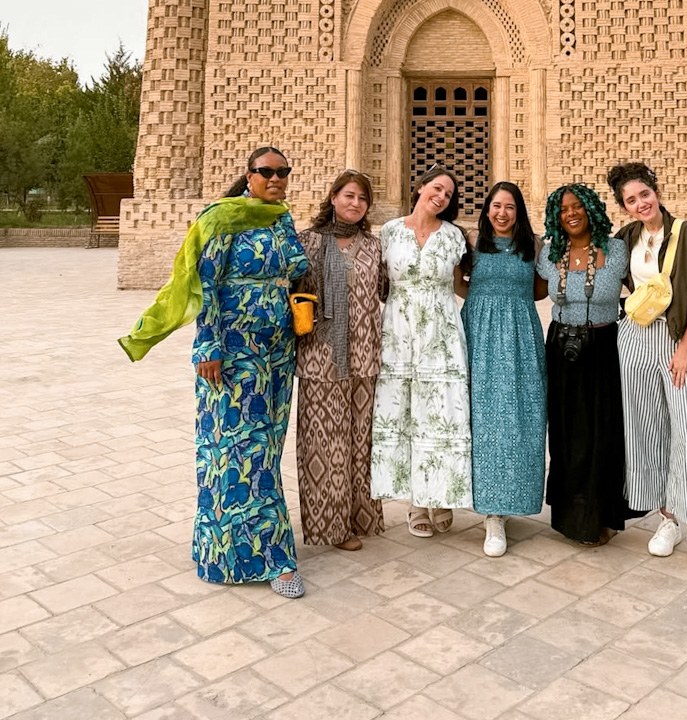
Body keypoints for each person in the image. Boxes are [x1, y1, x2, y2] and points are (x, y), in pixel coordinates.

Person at [120, 146, 308, 598]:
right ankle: (272, 558)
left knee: (266, 447)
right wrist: (208, 345)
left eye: (283, 172)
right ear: (249, 176)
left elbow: (297, 268)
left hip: (277, 351)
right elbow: (206, 285)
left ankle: (222, 548)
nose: (277, 178)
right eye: (268, 172)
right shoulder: (222, 219)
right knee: (236, 450)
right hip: (233, 352)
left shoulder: (280, 219)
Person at [606, 161, 687, 574]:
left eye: (644, 195)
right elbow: (606, 276)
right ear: (623, 206)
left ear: (656, 191)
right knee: (648, 429)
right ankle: (667, 519)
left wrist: (686, 346)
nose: (640, 204)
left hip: (677, 341)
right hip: (636, 340)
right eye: (630, 200)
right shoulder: (626, 239)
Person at [371, 164, 472, 536]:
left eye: (448, 194)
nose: (442, 196)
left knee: (442, 413)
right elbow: (378, 283)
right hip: (398, 333)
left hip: (442, 334)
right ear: (421, 187)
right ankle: (416, 502)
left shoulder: (454, 237)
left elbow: (461, 285)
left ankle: (442, 495)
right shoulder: (389, 232)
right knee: (405, 412)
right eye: (437, 188)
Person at [537, 183, 638, 545]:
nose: (571, 214)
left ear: (591, 209)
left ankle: (602, 515)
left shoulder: (616, 250)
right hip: (562, 346)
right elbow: (529, 289)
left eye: (578, 206)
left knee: (603, 432)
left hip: (604, 345)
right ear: (556, 217)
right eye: (563, 209)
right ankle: (570, 517)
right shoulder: (550, 254)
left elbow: (643, 287)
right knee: (566, 434)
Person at [294, 170, 385, 551]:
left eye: (362, 199)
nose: (355, 204)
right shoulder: (307, 243)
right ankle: (331, 528)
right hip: (321, 357)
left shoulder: (374, 245)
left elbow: (385, 290)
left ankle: (361, 517)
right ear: (333, 198)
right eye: (349, 196)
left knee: (361, 442)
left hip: (365, 355)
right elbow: (293, 291)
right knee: (324, 443)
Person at [460, 182, 548, 557]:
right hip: (478, 338)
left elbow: (541, 290)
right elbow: (459, 285)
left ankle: (512, 499)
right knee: (482, 423)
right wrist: (485, 304)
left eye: (509, 207)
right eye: (496, 206)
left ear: (519, 212)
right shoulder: (471, 245)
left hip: (521, 339)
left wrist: (510, 304)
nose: (502, 213)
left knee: (523, 421)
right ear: (487, 209)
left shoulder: (534, 246)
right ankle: (491, 514)